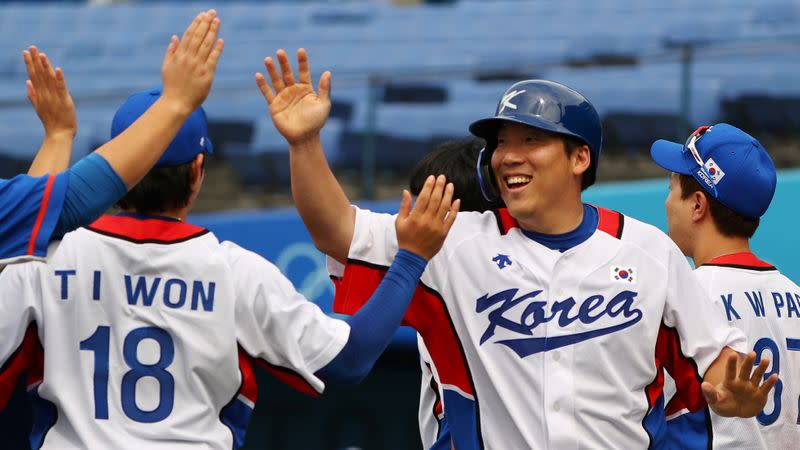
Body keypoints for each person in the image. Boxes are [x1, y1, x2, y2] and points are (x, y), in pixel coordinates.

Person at [257, 48, 778, 449]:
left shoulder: (648, 252)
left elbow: (718, 361)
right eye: (502, 141)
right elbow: (336, 230)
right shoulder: (453, 239)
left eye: (531, 140)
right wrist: (304, 145)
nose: (508, 155)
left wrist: (738, 394)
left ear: (579, 159)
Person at [0, 84, 459, 449]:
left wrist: (58, 138)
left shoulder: (46, 262)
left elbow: (26, 237)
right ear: (198, 170)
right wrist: (411, 258)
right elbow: (352, 358)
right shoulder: (233, 271)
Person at [0, 10, 223, 265]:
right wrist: (175, 103)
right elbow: (52, 207)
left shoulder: (53, 261)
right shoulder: (241, 271)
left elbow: (31, 220)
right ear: (196, 170)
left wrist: (58, 137)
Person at [330, 137, 493, 450]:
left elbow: (351, 358)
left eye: (428, 206)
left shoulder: (447, 258)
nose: (413, 220)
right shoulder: (431, 261)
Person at [651, 124, 799, 449]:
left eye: (672, 188)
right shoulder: (795, 294)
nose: (667, 202)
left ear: (697, 205)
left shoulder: (680, 295)